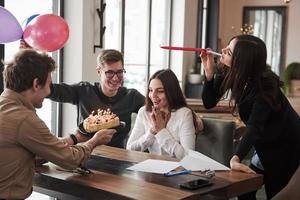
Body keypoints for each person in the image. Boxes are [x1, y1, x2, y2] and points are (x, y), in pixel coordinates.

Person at [0, 49, 116, 199]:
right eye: (49, 85)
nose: (49, 92)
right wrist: (94, 141)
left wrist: (75, 138)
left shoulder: (5, 106)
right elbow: (70, 160)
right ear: (36, 84)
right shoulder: (24, 119)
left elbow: (35, 152)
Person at [200, 34, 300, 199]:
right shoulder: (233, 72)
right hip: (264, 146)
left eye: (229, 52)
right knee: (244, 190)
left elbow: (255, 126)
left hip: (288, 147)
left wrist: (236, 157)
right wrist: (209, 75)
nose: (223, 51)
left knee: (279, 194)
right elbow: (209, 102)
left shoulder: (267, 85)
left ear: (242, 61)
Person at [47, 49, 145, 148]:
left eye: (119, 72)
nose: (115, 78)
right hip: (84, 153)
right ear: (99, 71)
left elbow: (154, 108)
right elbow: (52, 91)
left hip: (118, 155)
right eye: (110, 73)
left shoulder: (131, 97)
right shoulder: (84, 91)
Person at [126, 69, 203, 159]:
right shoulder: (144, 112)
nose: (153, 95)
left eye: (160, 91)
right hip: (151, 169)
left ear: (171, 92)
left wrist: (161, 131)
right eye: (151, 90)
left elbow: (188, 157)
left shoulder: (184, 114)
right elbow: (130, 148)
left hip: (177, 170)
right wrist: (152, 132)